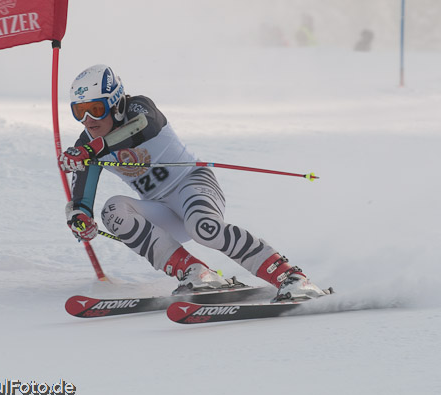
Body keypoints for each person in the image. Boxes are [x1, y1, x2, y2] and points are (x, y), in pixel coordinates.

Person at [59, 64, 327, 301]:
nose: (88, 121)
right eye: (79, 112)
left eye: (95, 109)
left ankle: (291, 277)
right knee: (113, 210)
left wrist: (93, 149)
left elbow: (142, 127)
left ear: (116, 104)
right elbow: (81, 199)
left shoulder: (138, 108)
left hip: (193, 184)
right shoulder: (88, 146)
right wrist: (79, 217)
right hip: (160, 208)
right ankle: (196, 273)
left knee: (203, 227)